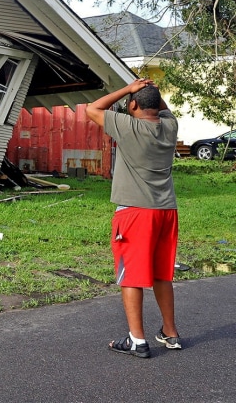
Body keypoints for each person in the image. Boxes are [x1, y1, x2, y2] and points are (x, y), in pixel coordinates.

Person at [86, 78, 182, 358]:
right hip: (166, 211)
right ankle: (170, 333)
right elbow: (161, 108)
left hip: (135, 213)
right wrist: (149, 94)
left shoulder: (128, 126)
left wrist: (130, 88)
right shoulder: (169, 126)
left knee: (132, 276)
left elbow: (93, 108)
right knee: (162, 274)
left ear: (133, 105)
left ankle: (137, 340)